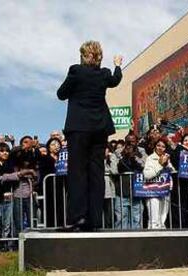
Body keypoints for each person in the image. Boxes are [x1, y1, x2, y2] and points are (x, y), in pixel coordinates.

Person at [57, 40, 123, 231]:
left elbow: (61, 94)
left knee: (77, 173)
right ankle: (94, 220)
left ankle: (78, 218)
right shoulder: (104, 74)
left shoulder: (76, 71)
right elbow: (115, 80)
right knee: (96, 174)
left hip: (79, 128)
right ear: (99, 57)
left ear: (84, 56)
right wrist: (117, 64)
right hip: (100, 128)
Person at [143, 137, 175, 229]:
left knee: (162, 218)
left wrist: (167, 164)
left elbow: (172, 171)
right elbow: (147, 175)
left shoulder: (166, 158)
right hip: (153, 191)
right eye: (158, 145)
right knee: (154, 219)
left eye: (163, 147)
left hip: (165, 190)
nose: (160, 148)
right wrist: (160, 165)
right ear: (155, 146)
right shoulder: (150, 158)